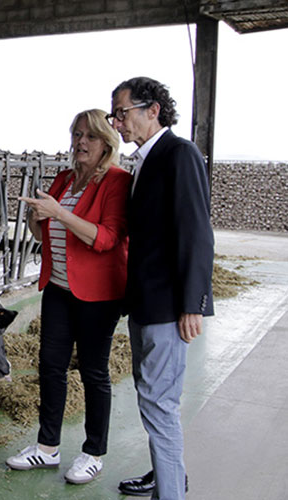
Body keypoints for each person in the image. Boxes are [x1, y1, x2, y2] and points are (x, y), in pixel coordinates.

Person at [7, 109, 131, 484]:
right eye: (77, 135)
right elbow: (44, 235)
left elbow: (106, 239)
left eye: (90, 137)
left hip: (98, 294)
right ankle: (47, 448)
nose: (80, 143)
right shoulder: (65, 178)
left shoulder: (117, 182)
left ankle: (93, 453)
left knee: (94, 372)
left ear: (107, 143)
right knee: (50, 366)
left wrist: (58, 212)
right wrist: (37, 217)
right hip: (59, 288)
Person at [109, 77, 214, 499]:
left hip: (169, 306)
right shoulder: (145, 160)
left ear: (152, 110)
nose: (117, 122)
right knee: (151, 396)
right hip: (146, 302)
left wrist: (193, 304)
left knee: (160, 405)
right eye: (114, 114)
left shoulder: (179, 154)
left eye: (123, 112)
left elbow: (196, 234)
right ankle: (162, 476)